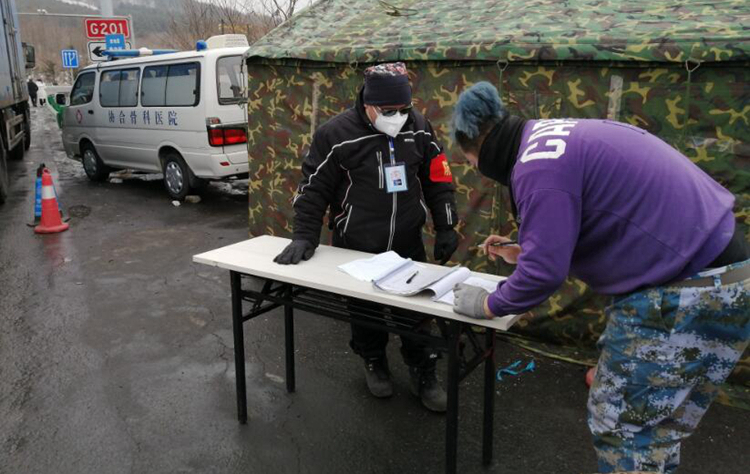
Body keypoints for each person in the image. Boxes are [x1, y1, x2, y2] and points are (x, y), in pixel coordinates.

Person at [449, 82, 750, 473]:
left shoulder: (534, 167)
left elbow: (543, 274)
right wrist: (525, 251)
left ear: (480, 149)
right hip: (727, 277)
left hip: (681, 293)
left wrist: (489, 304)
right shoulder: (551, 135)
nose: (476, 170)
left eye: (470, 161)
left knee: (623, 429)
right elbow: (598, 217)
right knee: (656, 429)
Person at [274, 62, 459, 412]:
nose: (398, 117)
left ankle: (423, 369)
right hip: (357, 246)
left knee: (415, 315)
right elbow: (313, 188)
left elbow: (437, 177)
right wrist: (304, 236)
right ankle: (374, 360)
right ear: (368, 104)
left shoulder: (419, 127)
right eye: (388, 111)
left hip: (407, 243)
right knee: (365, 314)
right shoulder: (336, 134)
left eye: (404, 109)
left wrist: (446, 225)